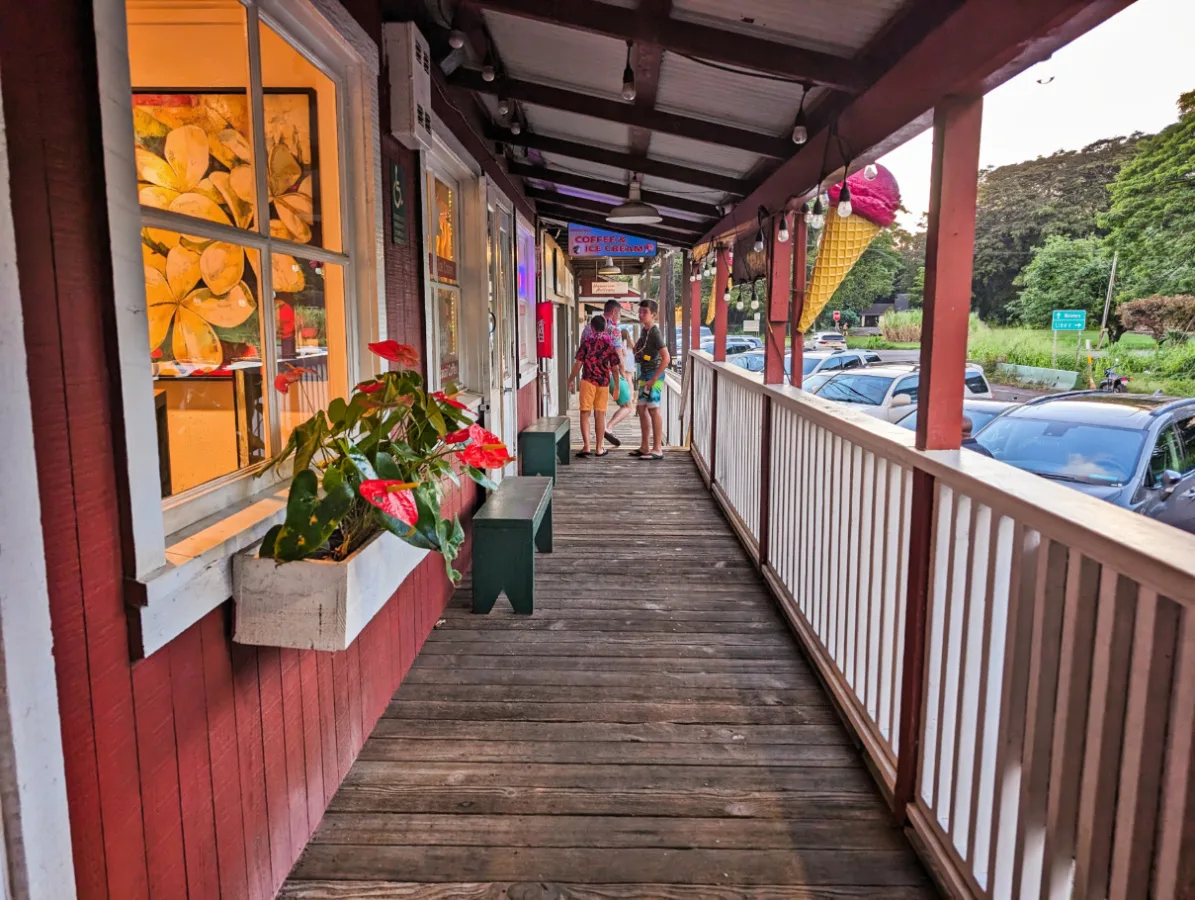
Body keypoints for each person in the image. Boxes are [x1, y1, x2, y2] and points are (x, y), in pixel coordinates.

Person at [568, 313, 622, 458]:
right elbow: (615, 368)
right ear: (605, 327)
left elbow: (578, 364)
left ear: (591, 327)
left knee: (585, 414)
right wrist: (616, 386)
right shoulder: (609, 344)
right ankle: (599, 448)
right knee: (600, 415)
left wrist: (570, 380)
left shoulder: (586, 342)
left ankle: (586, 446)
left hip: (587, 381)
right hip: (603, 383)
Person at [579, 300, 630, 446]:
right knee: (626, 405)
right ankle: (607, 429)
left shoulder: (588, 329)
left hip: (588, 375)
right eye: (619, 313)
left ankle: (588, 445)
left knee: (588, 412)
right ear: (614, 312)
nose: (618, 316)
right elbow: (618, 357)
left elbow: (582, 353)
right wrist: (623, 376)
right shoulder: (614, 330)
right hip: (607, 374)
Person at [631, 299, 670, 460]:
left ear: (653, 314)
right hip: (645, 374)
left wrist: (654, 378)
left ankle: (657, 448)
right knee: (641, 409)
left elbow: (666, 358)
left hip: (654, 375)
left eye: (644, 312)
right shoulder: (644, 331)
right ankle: (645, 446)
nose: (641, 314)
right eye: (640, 311)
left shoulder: (654, 332)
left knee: (653, 409)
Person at [605, 327, 637, 433]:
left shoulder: (602, 344)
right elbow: (620, 362)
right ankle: (608, 427)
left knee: (623, 406)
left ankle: (606, 428)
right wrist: (622, 377)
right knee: (628, 407)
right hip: (615, 376)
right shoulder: (616, 343)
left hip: (604, 376)